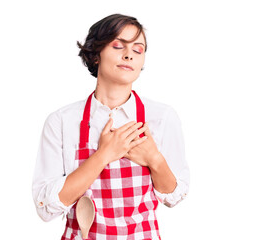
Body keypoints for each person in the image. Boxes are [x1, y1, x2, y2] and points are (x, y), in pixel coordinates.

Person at [32, 14, 189, 240]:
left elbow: (173, 197)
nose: (128, 55)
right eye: (118, 45)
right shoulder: (62, 121)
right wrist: (103, 155)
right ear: (96, 55)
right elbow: (45, 209)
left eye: (138, 49)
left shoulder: (162, 117)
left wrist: (154, 158)